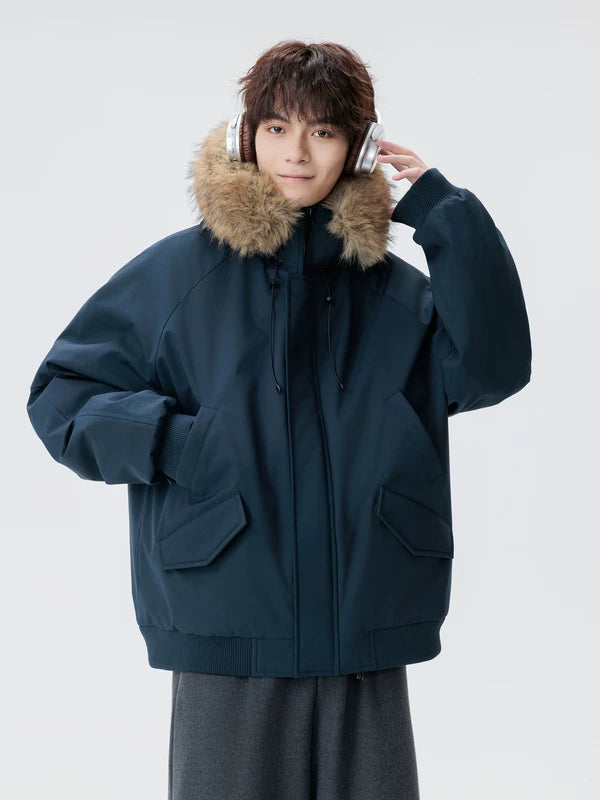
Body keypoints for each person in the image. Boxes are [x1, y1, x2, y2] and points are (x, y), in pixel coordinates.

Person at [26, 39, 532, 800]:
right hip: (229, 628)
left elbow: (494, 367)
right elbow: (61, 393)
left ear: (358, 147)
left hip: (363, 631)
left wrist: (444, 215)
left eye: (323, 131)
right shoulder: (180, 277)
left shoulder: (394, 295)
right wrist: (174, 442)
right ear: (245, 138)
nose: (297, 152)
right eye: (276, 128)